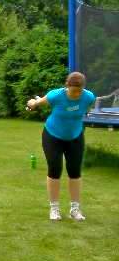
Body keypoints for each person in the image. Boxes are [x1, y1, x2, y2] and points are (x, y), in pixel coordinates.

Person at [26, 72, 95, 221]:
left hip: (75, 137)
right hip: (53, 136)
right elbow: (38, 102)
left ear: (83, 88)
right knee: (55, 169)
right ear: (67, 86)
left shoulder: (89, 97)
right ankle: (54, 208)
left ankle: (75, 209)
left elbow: (85, 109)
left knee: (75, 171)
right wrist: (32, 103)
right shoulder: (55, 95)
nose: (76, 94)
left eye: (79, 91)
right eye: (73, 91)